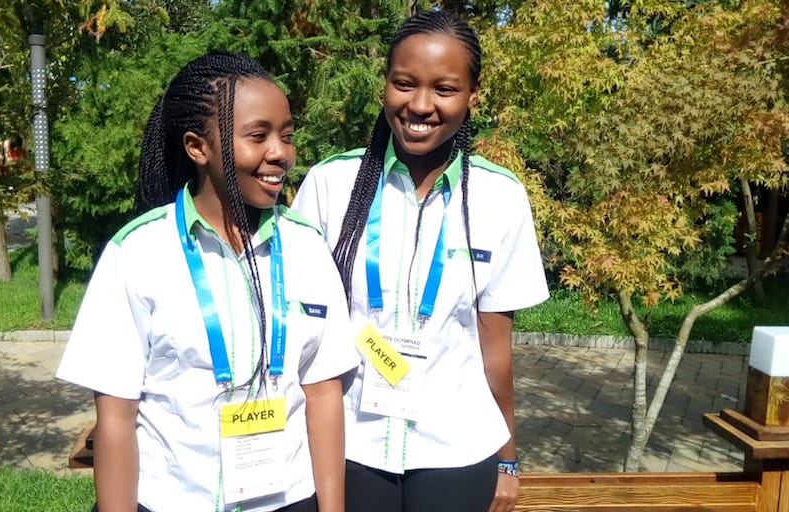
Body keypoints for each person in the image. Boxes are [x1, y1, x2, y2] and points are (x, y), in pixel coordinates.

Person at [56, 49, 359, 512]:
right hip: (174, 499)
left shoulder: (307, 248)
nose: (280, 153)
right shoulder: (137, 253)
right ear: (198, 147)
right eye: (258, 136)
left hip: (288, 498)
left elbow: (322, 393)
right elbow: (116, 417)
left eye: (287, 136)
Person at [292, 10, 549, 512]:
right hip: (348, 442)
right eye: (404, 84)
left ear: (473, 96)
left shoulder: (500, 197)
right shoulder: (330, 184)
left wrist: (507, 460)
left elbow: (495, 350)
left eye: (445, 89)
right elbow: (302, 329)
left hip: (455, 448)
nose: (421, 105)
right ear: (385, 85)